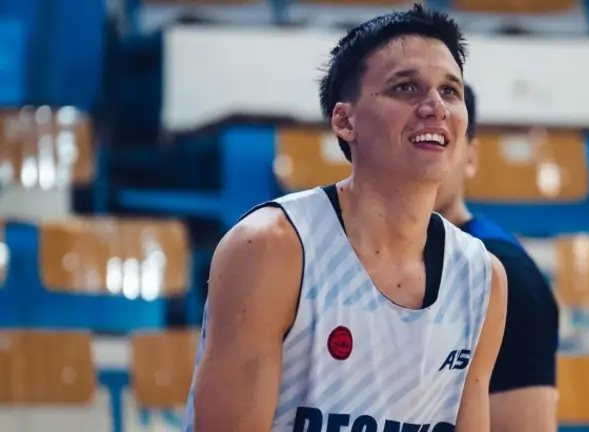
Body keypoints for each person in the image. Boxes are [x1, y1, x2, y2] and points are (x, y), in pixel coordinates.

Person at [184, 5, 508, 432]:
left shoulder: (482, 278)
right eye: (406, 87)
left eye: (450, 91)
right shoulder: (270, 247)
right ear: (345, 120)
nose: (435, 107)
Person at [434, 83, 560, 432]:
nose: (425, 158)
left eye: (440, 141)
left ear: (471, 158)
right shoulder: (341, 252)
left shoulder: (507, 274)